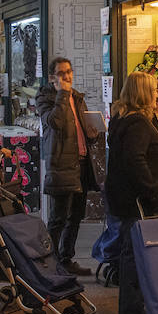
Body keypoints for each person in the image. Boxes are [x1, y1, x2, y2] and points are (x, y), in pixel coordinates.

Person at [105, 72, 158, 314]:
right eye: (154, 90)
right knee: (134, 256)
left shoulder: (122, 119)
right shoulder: (139, 125)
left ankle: (133, 311)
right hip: (138, 202)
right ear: (144, 92)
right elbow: (136, 161)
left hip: (124, 199)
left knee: (131, 253)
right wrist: (154, 192)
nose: (157, 93)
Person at [36, 57, 100, 276]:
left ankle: (65, 258)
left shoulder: (78, 98)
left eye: (69, 71)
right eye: (62, 73)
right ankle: (48, 263)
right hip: (62, 165)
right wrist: (62, 94)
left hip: (82, 163)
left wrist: (92, 132)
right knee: (58, 218)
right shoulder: (46, 98)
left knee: (76, 216)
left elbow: (81, 130)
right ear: (53, 77)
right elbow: (55, 122)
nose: (68, 76)